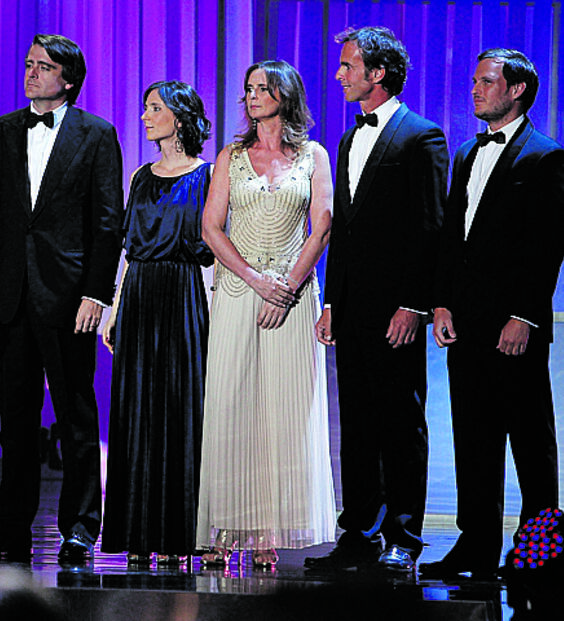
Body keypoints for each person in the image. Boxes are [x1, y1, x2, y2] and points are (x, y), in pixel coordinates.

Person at [0, 34, 123, 564]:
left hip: (68, 296)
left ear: (68, 78)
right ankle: (10, 531)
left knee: (76, 416)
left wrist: (97, 293)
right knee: (16, 423)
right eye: (29, 64)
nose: (32, 73)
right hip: (11, 296)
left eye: (44, 66)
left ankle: (79, 528)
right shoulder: (3, 130)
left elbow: (107, 223)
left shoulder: (97, 135)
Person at [307, 27, 448, 573]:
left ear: (378, 73)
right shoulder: (347, 139)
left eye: (348, 66)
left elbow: (429, 228)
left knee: (400, 422)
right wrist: (332, 302)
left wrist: (414, 304)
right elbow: (344, 230)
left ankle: (404, 535)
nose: (339, 74)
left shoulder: (421, 137)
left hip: (396, 310)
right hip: (354, 306)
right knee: (359, 424)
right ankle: (359, 532)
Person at [420, 49, 564, 580]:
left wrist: (525, 316)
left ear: (518, 89)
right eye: (475, 81)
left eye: (487, 81)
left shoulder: (545, 157)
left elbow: (546, 246)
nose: (476, 90)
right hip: (466, 323)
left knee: (530, 441)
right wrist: (440, 301)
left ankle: (541, 553)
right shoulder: (464, 154)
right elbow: (451, 240)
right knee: (474, 438)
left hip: (514, 326)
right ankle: (476, 545)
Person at [195, 60, 336, 569]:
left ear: (286, 95)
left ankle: (267, 532)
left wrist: (287, 290)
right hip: (237, 290)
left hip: (293, 297)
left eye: (263, 89)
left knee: (284, 413)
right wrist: (256, 282)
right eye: (249, 89)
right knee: (232, 408)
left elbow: (321, 228)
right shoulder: (231, 157)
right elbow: (212, 228)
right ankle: (224, 528)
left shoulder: (313, 155)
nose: (253, 97)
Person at [100, 81, 213, 566]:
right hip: (141, 295)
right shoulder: (141, 177)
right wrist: (114, 307)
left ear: (181, 118)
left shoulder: (208, 175)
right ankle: (137, 531)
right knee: (137, 410)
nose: (145, 117)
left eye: (155, 109)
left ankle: (179, 534)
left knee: (181, 408)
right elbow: (127, 249)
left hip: (184, 293)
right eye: (145, 108)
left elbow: (214, 251)